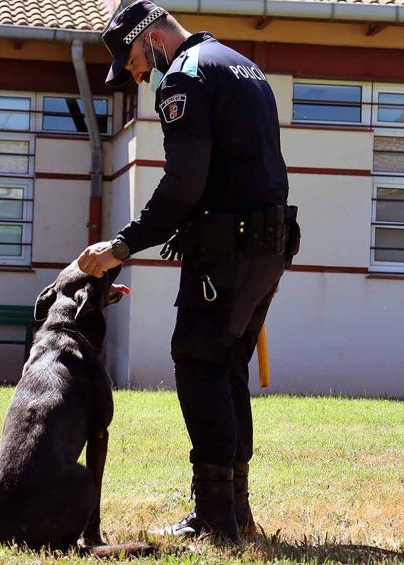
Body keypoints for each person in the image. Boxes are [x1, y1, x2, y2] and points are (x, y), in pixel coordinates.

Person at [76, 0, 299, 544]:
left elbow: (183, 184)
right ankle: (237, 512)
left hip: (229, 249)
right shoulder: (240, 64)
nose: (137, 72)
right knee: (225, 368)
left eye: (131, 59)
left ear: (149, 37)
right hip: (268, 245)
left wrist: (122, 245)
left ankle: (215, 520)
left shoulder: (184, 75)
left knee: (198, 361)